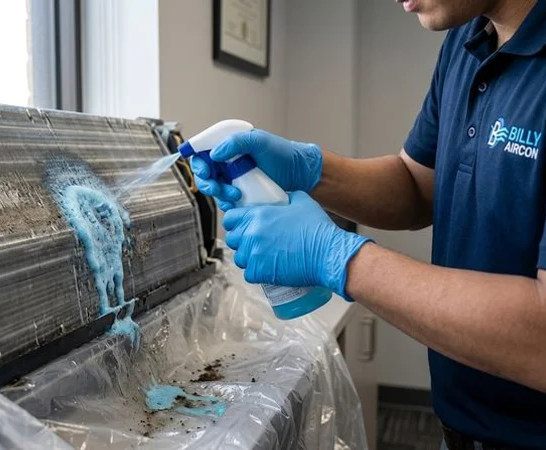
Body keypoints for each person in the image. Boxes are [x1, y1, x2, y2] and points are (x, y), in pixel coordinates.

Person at [191, 0, 546, 448]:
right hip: (461, 427)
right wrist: (309, 169)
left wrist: (336, 256)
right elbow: (418, 186)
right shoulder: (467, 39)